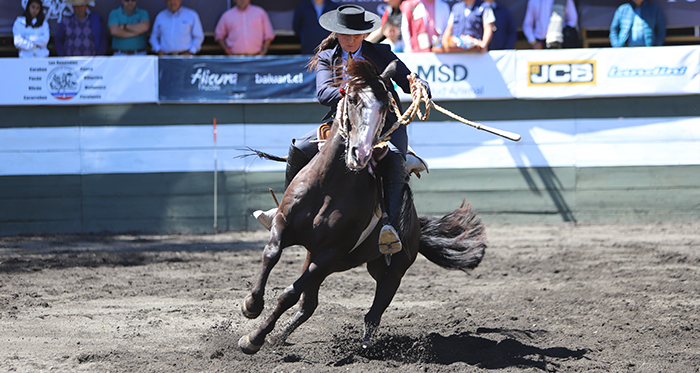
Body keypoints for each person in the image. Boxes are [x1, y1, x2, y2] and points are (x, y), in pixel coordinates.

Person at [254, 5, 431, 256]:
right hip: (345, 124)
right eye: (345, 35)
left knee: (392, 158)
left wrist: (419, 85)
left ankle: (389, 227)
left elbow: (407, 79)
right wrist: (351, 92)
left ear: (363, 34)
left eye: (355, 35)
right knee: (298, 147)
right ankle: (285, 209)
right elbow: (323, 93)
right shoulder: (328, 57)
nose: (350, 40)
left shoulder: (381, 52)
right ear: (336, 34)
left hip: (386, 125)